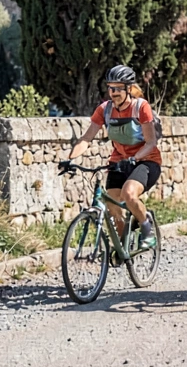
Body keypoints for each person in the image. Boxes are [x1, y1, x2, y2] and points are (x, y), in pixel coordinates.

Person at [59, 65, 162, 250]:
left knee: (128, 194)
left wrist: (134, 158)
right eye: (110, 88)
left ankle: (147, 227)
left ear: (129, 88)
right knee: (113, 207)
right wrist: (71, 159)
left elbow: (151, 142)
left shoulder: (140, 107)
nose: (113, 92)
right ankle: (123, 247)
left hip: (146, 161)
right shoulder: (105, 110)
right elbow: (86, 138)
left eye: (118, 88)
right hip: (118, 162)